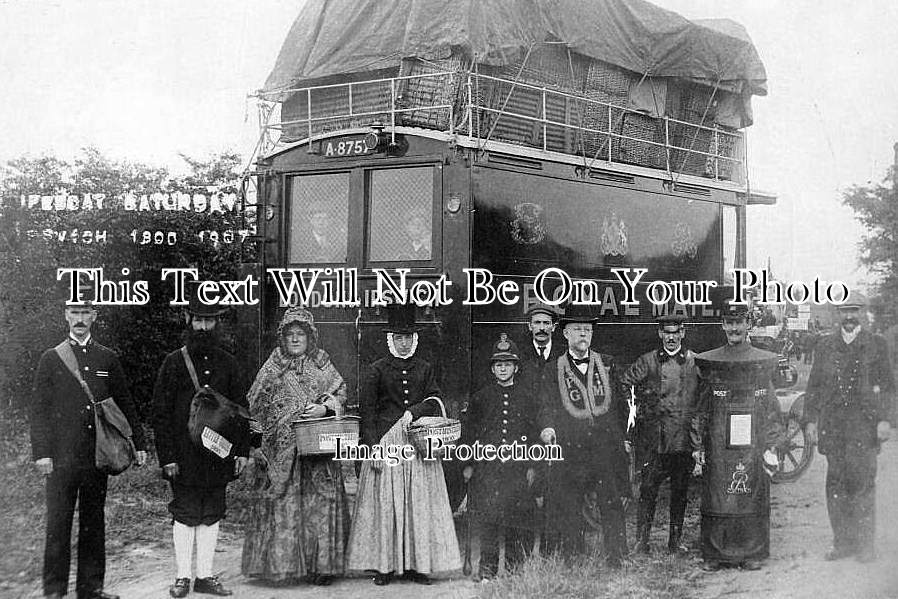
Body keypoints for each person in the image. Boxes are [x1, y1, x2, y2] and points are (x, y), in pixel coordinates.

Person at [31, 293, 147, 599]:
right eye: (74, 312)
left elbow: (125, 400)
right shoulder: (51, 358)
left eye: (85, 312)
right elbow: (39, 410)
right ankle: (54, 590)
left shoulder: (107, 358)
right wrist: (41, 453)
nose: (80, 318)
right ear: (66, 315)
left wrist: (140, 441)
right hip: (60, 458)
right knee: (58, 523)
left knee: (93, 523)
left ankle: (91, 588)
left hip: (97, 455)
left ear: (95, 316)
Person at [347, 302, 460, 585]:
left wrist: (414, 412)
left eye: (408, 337)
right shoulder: (376, 370)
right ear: (390, 340)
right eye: (399, 337)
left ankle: (416, 566)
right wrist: (371, 449)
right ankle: (384, 567)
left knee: (418, 506)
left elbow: (435, 400)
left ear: (415, 339)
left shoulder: (425, 368)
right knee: (388, 507)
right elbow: (368, 414)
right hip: (387, 447)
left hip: (418, 448)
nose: (404, 342)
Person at [152, 284, 250, 597]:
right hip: (184, 456)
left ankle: (205, 577)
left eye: (210, 321)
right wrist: (167, 456)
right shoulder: (173, 363)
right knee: (185, 513)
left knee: (212, 513)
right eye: (199, 320)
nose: (204, 327)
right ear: (188, 320)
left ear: (217, 322)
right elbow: (160, 414)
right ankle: (183, 577)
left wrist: (243, 451)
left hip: (218, 455)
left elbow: (242, 412)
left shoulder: (229, 364)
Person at [241, 307, 350, 585]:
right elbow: (254, 404)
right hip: (280, 453)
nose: (295, 339)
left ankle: (321, 568)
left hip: (316, 452)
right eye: (290, 334)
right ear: (283, 337)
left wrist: (324, 408)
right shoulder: (272, 367)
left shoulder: (323, 364)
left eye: (300, 334)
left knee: (318, 508)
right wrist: (257, 443)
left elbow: (341, 394)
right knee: (284, 505)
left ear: (310, 336)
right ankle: (282, 567)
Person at [691, 300, 783, 572]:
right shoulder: (711, 365)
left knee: (750, 494)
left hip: (752, 447)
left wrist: (772, 447)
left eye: (738, 322)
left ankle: (752, 552)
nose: (734, 328)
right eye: (729, 323)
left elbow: (772, 411)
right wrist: (698, 446)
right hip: (719, 447)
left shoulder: (761, 364)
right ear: (723, 326)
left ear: (748, 325)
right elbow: (701, 409)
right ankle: (714, 554)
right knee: (718, 496)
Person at [537, 303, 629, 565]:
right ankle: (572, 554)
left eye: (587, 330)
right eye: (577, 329)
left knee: (610, 501)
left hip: (604, 445)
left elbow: (620, 404)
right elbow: (546, 404)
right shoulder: (553, 368)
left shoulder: (607, 363)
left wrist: (621, 436)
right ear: (565, 334)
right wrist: (547, 428)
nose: (583, 335)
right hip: (570, 445)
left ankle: (616, 554)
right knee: (570, 501)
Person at [804, 298, 895, 563]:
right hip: (833, 426)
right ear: (837, 314)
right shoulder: (825, 345)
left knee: (863, 483)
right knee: (836, 484)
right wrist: (810, 420)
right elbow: (815, 386)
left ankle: (865, 545)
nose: (850, 317)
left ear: (862, 313)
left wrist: (885, 420)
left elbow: (888, 387)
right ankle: (843, 543)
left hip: (863, 426)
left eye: (854, 311)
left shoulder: (876, 344)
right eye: (845, 311)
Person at [620, 314, 699, 555]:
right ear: (660, 334)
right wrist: (639, 412)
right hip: (655, 440)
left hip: (683, 440)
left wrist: (697, 437)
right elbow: (625, 384)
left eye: (676, 333)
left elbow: (702, 396)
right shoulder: (647, 361)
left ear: (683, 334)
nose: (672, 338)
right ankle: (641, 543)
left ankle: (675, 543)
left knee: (680, 493)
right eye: (667, 333)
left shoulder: (694, 362)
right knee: (648, 492)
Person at [463, 334, 539, 580]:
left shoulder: (527, 398)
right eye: (498, 364)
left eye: (507, 364)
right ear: (492, 368)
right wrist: (468, 465)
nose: (503, 368)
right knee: (489, 522)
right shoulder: (481, 398)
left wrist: (532, 466)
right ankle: (487, 571)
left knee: (518, 521)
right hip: (488, 470)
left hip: (517, 469)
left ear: (516, 367)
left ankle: (516, 570)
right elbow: (470, 434)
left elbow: (534, 434)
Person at [517, 302, 564, 386]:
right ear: (530, 326)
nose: (542, 328)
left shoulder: (564, 353)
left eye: (546, 323)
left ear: (553, 327)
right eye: (537, 322)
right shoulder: (519, 353)